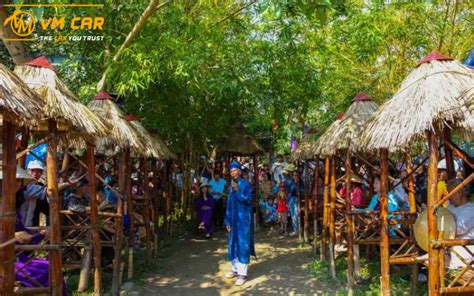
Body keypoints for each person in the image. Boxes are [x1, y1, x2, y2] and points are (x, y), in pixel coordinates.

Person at [224, 161, 255, 286]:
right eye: (231, 171)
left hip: (243, 220)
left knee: (243, 244)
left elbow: (248, 201)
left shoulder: (246, 184)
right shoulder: (230, 186)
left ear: (240, 172)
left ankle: (243, 274)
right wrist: (227, 220)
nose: (233, 173)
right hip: (233, 220)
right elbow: (229, 204)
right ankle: (235, 269)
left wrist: (238, 191)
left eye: (235, 170)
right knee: (233, 243)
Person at [446, 178, 474, 269]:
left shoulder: (470, 209)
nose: (448, 196)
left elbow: (458, 229)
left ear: (459, 192)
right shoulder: (450, 208)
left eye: (450, 193)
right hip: (449, 251)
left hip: (464, 258)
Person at [283, 164, 298, 236]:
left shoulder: (300, 182)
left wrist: (296, 183)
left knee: (296, 214)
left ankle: (297, 230)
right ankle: (296, 230)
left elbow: (302, 190)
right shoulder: (288, 181)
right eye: (292, 173)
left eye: (295, 174)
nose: (293, 175)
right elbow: (287, 190)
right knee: (293, 215)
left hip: (298, 199)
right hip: (291, 199)